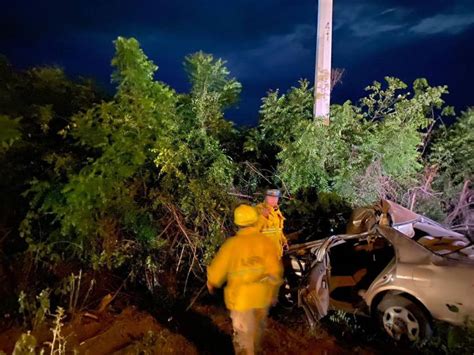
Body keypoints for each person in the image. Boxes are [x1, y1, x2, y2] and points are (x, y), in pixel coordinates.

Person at [207, 204, 283, 355]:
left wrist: (211, 282)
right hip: (262, 298)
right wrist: (273, 293)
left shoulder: (232, 245)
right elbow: (276, 272)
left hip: (241, 300)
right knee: (256, 334)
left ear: (238, 223)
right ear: (255, 220)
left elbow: (217, 271)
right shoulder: (265, 242)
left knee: (244, 340)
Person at [256, 189, 288, 258]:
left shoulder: (276, 211)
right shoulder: (260, 210)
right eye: (271, 198)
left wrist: (284, 241)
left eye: (276, 198)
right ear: (266, 198)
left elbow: (279, 230)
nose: (274, 200)